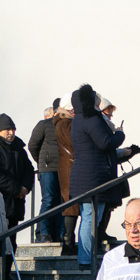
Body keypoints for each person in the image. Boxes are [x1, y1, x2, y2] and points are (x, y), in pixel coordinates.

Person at [69, 84, 126, 270]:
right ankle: (86, 259)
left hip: (85, 176)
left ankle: (86, 257)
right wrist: (119, 134)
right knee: (91, 218)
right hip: (93, 178)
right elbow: (105, 143)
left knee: (89, 217)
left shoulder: (78, 119)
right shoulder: (90, 119)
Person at [96, 95, 140, 244]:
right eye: (108, 112)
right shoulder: (101, 125)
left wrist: (126, 152)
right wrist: (121, 139)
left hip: (109, 171)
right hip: (103, 171)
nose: (110, 115)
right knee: (101, 207)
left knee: (108, 206)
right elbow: (106, 147)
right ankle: (97, 235)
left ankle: (101, 233)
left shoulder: (106, 125)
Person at [0, 113, 36, 275]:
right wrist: (16, 189)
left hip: (15, 203)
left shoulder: (19, 149)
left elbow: (29, 169)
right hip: (2, 201)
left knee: (11, 241)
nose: (11, 133)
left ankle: (6, 275)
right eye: (7, 129)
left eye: (12, 129)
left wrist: (25, 188)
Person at [28, 102, 63, 242]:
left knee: (62, 202)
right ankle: (44, 233)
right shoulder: (44, 125)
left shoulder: (67, 125)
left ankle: (59, 233)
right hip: (48, 169)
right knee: (48, 200)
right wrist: (42, 162)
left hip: (62, 169)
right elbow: (32, 145)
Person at [53, 94, 78, 255]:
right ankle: (67, 242)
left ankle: (68, 241)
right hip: (69, 167)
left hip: (69, 166)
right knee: (71, 205)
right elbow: (73, 142)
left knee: (72, 204)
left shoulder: (64, 122)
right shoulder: (65, 123)